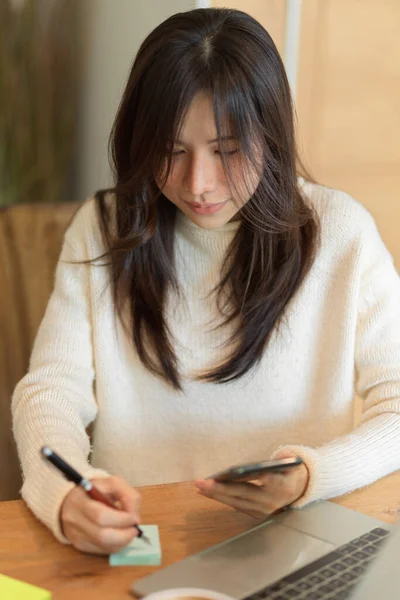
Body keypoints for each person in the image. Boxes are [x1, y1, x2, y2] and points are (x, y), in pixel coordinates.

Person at [12, 7, 400, 556]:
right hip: (140, 546)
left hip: (292, 546)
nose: (199, 184)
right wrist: (66, 490)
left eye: (227, 151)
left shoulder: (342, 235)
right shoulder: (103, 230)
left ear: (271, 134)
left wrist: (312, 475)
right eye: (170, 152)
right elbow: (51, 388)